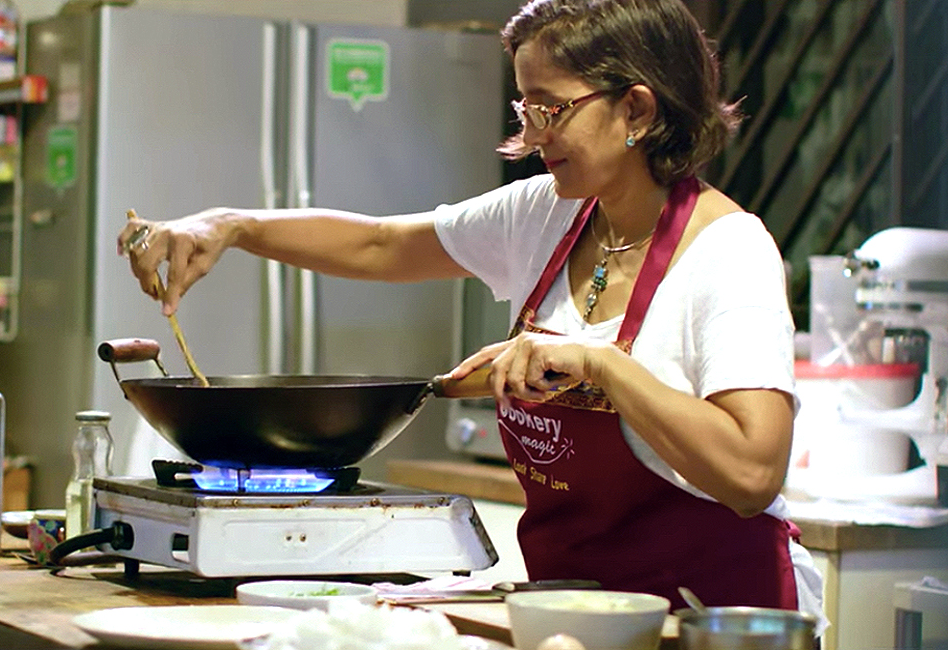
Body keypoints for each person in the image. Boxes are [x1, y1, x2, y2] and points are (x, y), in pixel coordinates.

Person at [118, 0, 825, 623]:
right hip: (576, 615)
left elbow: (751, 473)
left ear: (636, 109)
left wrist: (600, 364)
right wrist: (230, 225)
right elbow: (379, 245)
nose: (535, 132)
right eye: (525, 108)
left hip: (712, 618)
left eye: (552, 108)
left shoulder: (730, 254)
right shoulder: (549, 214)